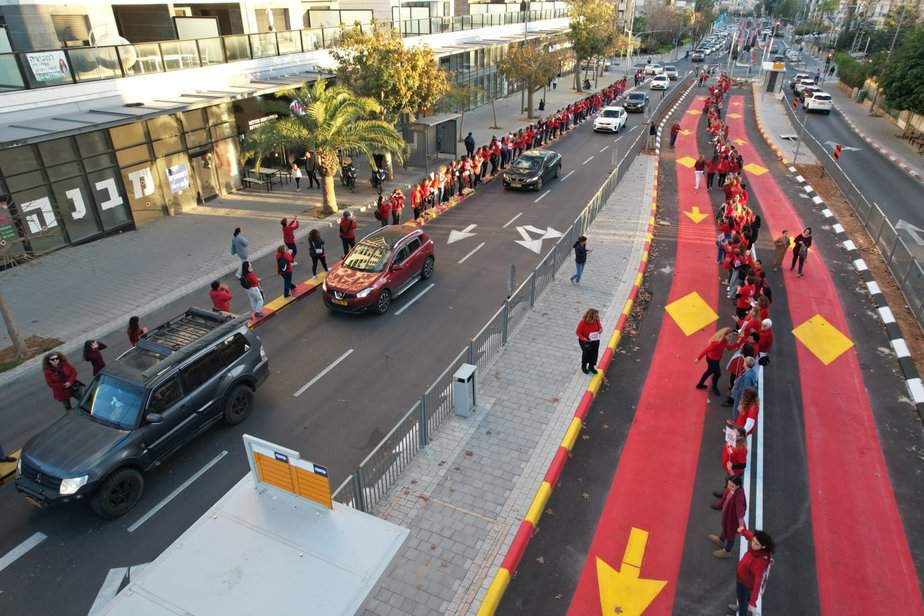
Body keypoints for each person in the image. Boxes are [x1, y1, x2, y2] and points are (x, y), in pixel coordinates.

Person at [730, 528, 774, 615]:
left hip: (744, 582)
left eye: (756, 543)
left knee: (742, 601)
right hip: (743, 579)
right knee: (744, 598)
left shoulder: (759, 562)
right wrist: (743, 531)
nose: (753, 544)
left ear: (763, 546)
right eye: (753, 541)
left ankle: (743, 610)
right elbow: (751, 537)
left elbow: (758, 582)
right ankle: (744, 604)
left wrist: (752, 602)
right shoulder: (758, 548)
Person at [708, 474, 746, 558]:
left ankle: (727, 551)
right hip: (727, 514)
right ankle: (721, 540)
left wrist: (741, 526)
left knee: (730, 535)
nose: (729, 487)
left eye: (732, 486)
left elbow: (740, 512)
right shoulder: (732, 489)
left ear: (738, 486)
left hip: (733, 519)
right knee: (725, 527)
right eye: (728, 484)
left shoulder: (739, 496)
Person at [696, 327, 736, 396]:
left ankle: (700, 384)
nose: (730, 337)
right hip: (712, 360)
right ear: (725, 335)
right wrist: (698, 358)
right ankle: (713, 387)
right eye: (729, 336)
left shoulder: (724, 340)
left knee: (710, 371)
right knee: (717, 373)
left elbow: (729, 348)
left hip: (715, 359)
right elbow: (706, 350)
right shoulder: (717, 343)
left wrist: (738, 344)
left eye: (731, 336)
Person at [576, 309, 603, 374]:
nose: (597, 317)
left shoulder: (597, 320)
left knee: (594, 354)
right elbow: (578, 332)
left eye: (597, 316)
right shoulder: (583, 322)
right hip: (585, 341)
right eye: (596, 316)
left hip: (595, 340)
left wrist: (600, 330)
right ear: (591, 316)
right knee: (586, 354)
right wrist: (584, 338)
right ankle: (584, 367)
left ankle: (591, 367)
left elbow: (600, 328)